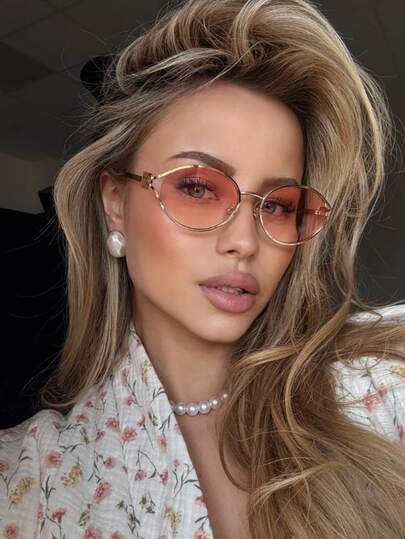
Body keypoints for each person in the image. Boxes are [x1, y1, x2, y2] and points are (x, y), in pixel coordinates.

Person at [1, 0, 405, 537]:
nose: (244, 241)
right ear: (116, 204)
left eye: (278, 205)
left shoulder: (375, 394)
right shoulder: (27, 483)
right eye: (196, 187)